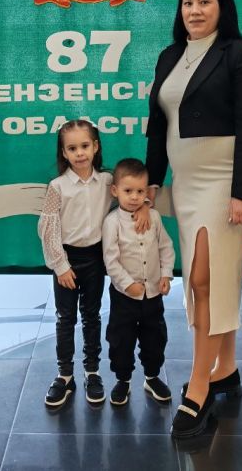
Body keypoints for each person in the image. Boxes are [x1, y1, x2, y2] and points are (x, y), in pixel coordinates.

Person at [145, 0, 242, 438]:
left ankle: (199, 387)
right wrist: (154, 179)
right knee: (212, 277)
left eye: (204, 2)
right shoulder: (170, 55)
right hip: (186, 182)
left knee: (204, 278)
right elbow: (159, 124)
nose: (194, 10)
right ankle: (225, 367)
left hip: (223, 181)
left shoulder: (238, 54)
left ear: (221, 7)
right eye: (187, 2)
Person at [38, 120, 150, 407]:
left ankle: (92, 371)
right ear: (64, 153)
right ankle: (65, 375)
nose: (80, 153)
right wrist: (60, 265)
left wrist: (146, 206)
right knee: (65, 317)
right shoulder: (58, 187)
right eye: (72, 148)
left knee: (92, 315)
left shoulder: (107, 181)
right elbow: (49, 228)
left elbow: (131, 191)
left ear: (96, 147)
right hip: (67, 260)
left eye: (85, 146)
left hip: (95, 259)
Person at [102, 158, 175, 407]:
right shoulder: (112, 222)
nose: (134, 197)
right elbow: (111, 260)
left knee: (155, 337)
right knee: (121, 339)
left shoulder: (153, 217)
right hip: (124, 297)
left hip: (152, 294)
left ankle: (152, 377)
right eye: (128, 191)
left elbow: (166, 247)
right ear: (115, 191)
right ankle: (122, 380)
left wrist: (165, 275)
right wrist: (127, 284)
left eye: (140, 191)